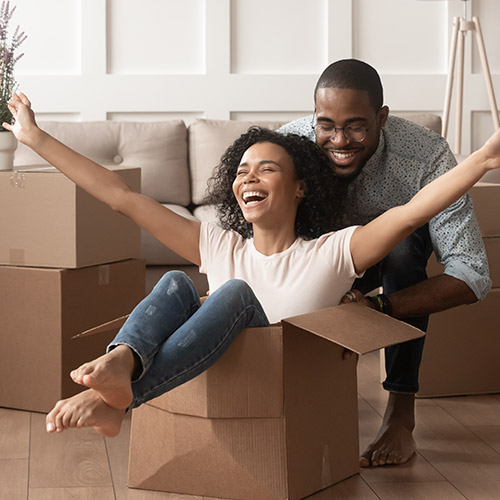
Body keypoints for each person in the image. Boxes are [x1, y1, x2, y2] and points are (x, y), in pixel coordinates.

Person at [6, 92, 499, 446]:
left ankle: (122, 397)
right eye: (241, 170)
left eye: (266, 168)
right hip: (221, 378)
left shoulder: (330, 252)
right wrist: (34, 137)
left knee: (235, 293)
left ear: (301, 187)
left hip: (283, 388)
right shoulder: (219, 244)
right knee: (178, 281)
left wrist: (482, 159)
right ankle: (122, 364)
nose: (249, 178)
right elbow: (122, 198)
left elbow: (411, 212)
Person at [278, 58, 492, 468]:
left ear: (382, 117)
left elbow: (472, 274)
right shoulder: (291, 146)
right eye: (327, 125)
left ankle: (400, 414)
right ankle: (302, 396)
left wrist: (375, 309)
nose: (339, 140)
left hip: (391, 259)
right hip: (318, 254)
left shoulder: (427, 156)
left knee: (402, 254)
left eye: (356, 126)